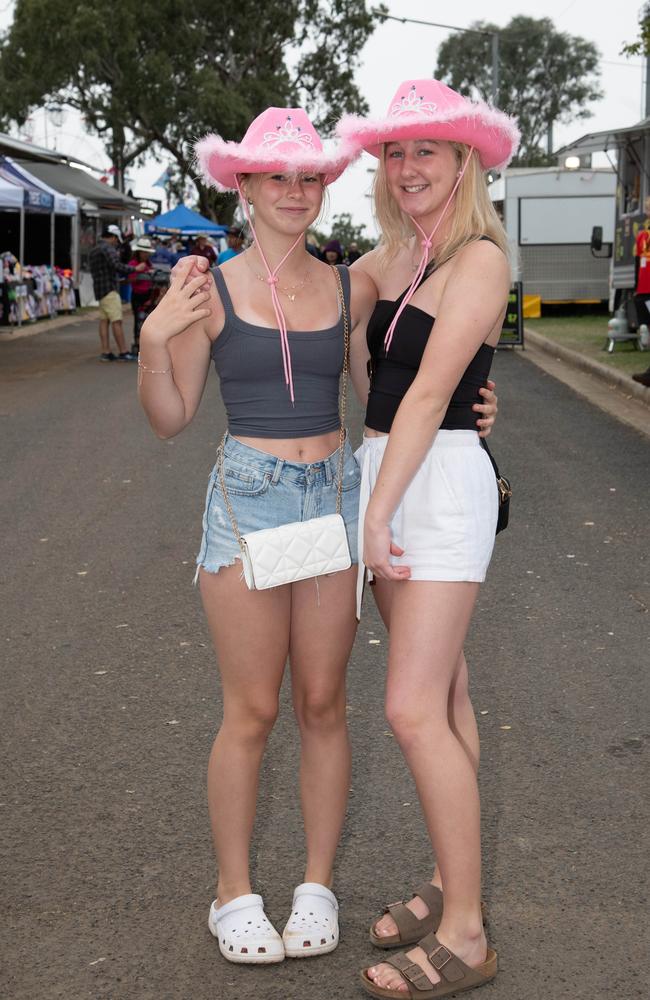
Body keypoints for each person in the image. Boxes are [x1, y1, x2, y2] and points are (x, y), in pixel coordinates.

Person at [139, 104, 499, 971]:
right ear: (246, 186)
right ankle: (233, 892)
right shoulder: (208, 288)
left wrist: (479, 405)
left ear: (325, 185)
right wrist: (155, 341)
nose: (295, 190)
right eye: (277, 176)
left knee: (323, 705)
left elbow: (417, 360)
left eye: (310, 176)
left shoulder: (351, 284)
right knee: (253, 708)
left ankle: (315, 885)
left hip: (332, 497)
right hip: (253, 503)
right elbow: (169, 417)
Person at [336, 78, 519, 998]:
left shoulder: (479, 259)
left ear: (466, 162)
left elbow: (426, 396)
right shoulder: (403, 255)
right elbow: (326, 292)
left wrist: (376, 515)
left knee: (410, 708)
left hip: (433, 488)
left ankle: (468, 932)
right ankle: (452, 881)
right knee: (443, 698)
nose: (407, 166)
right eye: (395, 151)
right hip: (394, 474)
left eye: (428, 151)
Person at [89, 227, 143, 361]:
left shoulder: (94, 249)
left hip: (99, 289)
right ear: (113, 237)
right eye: (116, 240)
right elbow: (117, 266)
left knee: (104, 320)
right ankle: (123, 352)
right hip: (109, 289)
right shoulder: (107, 249)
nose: (116, 243)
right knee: (116, 320)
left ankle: (106, 351)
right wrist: (135, 269)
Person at [128, 236, 155, 353]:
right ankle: (137, 343)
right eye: (143, 252)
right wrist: (139, 271)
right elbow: (131, 279)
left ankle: (147, 343)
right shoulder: (133, 264)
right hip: (138, 295)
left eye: (147, 252)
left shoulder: (149, 264)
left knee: (149, 320)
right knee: (138, 320)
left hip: (149, 295)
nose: (145, 254)